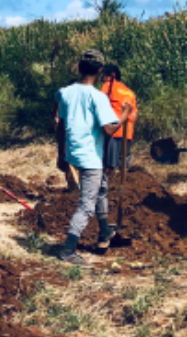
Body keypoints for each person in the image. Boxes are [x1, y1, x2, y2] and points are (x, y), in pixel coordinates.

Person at [54, 52, 130, 267]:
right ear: (100, 71)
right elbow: (108, 129)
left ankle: (105, 231)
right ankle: (68, 249)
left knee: (101, 189)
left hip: (73, 152)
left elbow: (59, 124)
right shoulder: (98, 97)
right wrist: (124, 115)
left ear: (79, 67)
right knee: (87, 204)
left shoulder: (64, 92)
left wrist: (61, 154)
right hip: (90, 157)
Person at [96, 63, 138, 205]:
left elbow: (98, 105)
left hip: (113, 131)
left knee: (108, 167)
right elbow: (133, 116)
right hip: (127, 134)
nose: (102, 79)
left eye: (104, 76)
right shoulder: (130, 92)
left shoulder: (108, 86)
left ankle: (107, 196)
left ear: (110, 76)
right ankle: (123, 193)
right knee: (123, 167)